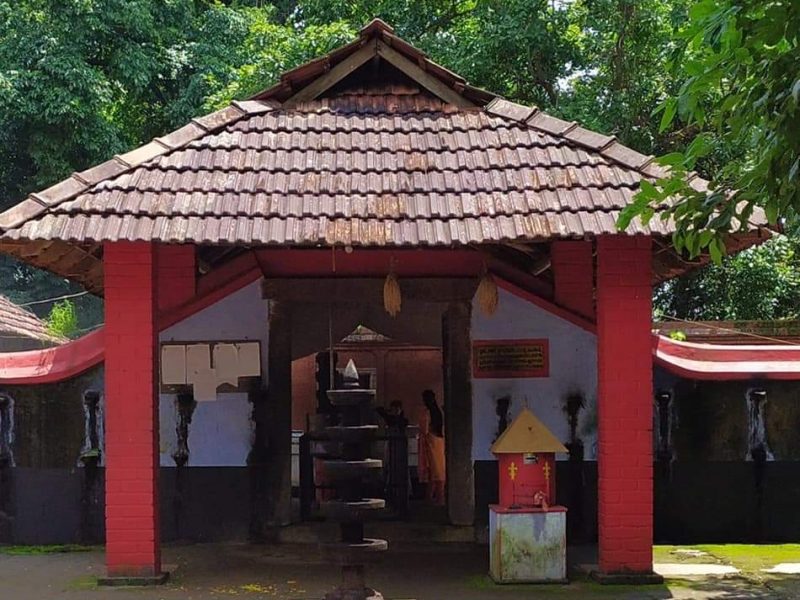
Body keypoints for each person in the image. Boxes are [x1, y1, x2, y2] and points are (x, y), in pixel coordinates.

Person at [419, 389, 445, 505]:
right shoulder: (438, 411)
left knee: (434, 472)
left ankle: (436, 498)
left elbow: (424, 429)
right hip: (440, 441)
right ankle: (436, 497)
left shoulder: (427, 412)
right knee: (439, 471)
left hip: (431, 442)